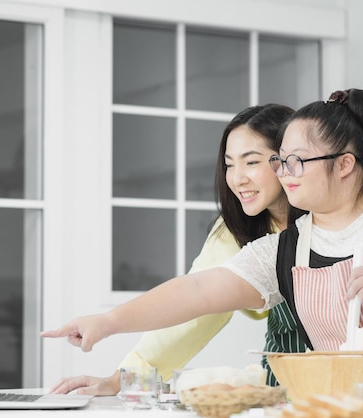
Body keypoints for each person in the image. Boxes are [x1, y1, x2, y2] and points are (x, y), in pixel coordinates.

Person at [42, 89, 363, 382]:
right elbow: (200, 288)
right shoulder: (287, 247)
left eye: (293, 162)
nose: (282, 174)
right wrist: (108, 322)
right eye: (280, 161)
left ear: (344, 164)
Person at [47, 104, 307, 395]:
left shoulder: (330, 222)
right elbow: (194, 306)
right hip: (282, 390)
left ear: (290, 160)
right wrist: (120, 380)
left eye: (251, 162)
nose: (237, 178)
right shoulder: (235, 229)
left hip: (354, 386)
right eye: (229, 164)